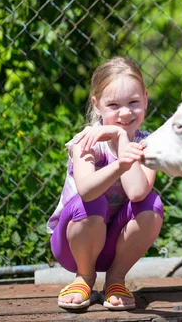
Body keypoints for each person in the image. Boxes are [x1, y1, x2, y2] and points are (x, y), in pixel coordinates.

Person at [47, 56, 163, 312]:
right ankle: (84, 278)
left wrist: (122, 138)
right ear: (96, 104)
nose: (124, 113)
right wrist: (120, 163)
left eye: (133, 102)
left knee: (152, 203)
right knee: (93, 202)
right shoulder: (86, 141)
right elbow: (87, 191)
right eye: (113, 105)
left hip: (116, 245)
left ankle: (116, 280)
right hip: (73, 243)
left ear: (145, 99)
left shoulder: (148, 144)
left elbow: (136, 192)